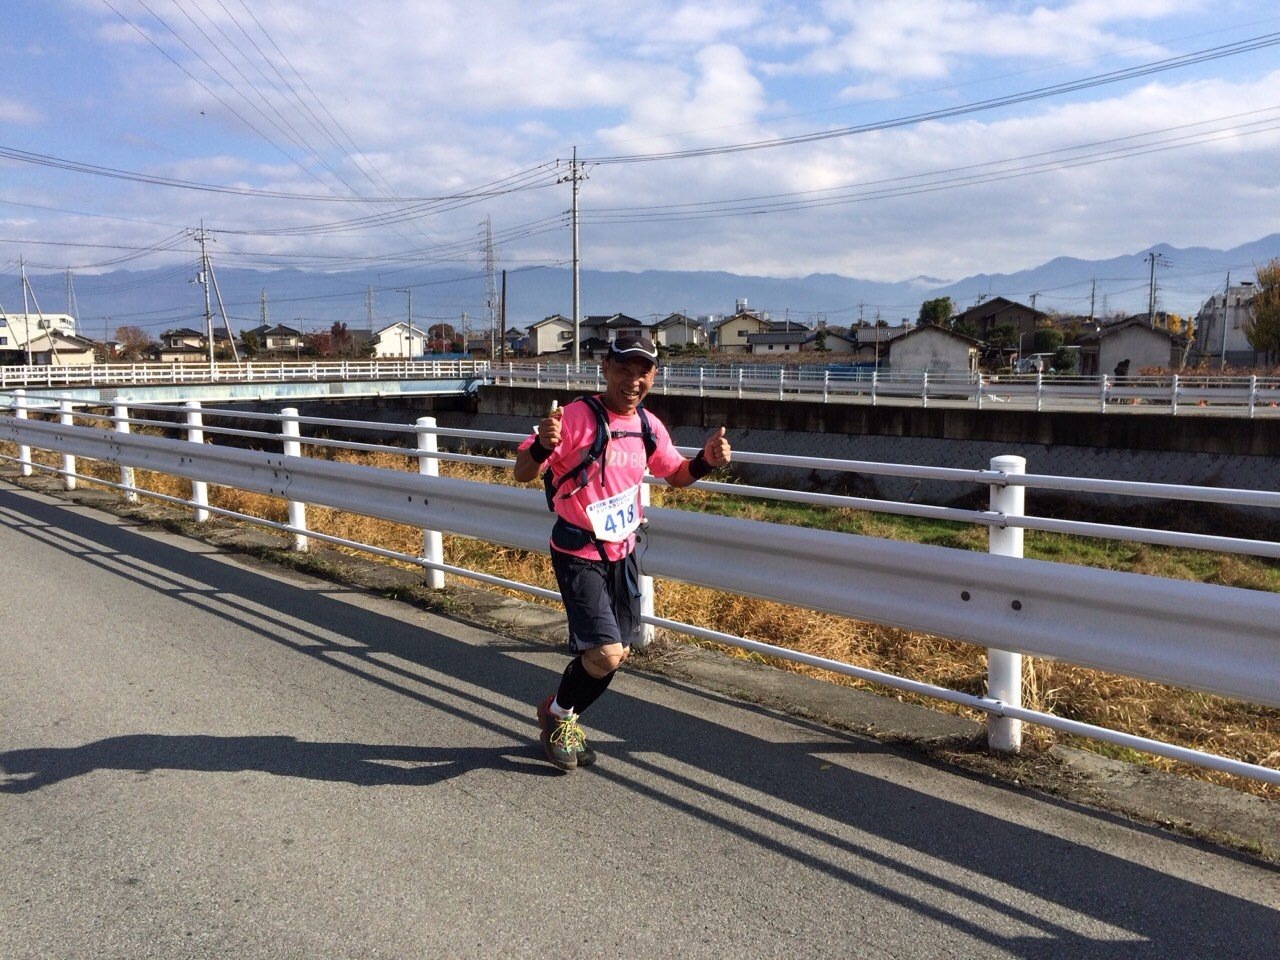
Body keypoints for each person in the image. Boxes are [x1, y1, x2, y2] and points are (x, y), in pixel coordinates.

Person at [513, 336, 731, 771]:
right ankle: (559, 718)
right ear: (605, 368)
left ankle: (558, 713)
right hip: (578, 551)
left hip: (623, 554)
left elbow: (676, 474)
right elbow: (522, 472)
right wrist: (541, 445)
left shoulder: (648, 424)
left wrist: (705, 460)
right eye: (624, 370)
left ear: (653, 376)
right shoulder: (573, 418)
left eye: (643, 372)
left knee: (616, 652)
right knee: (606, 653)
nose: (633, 381)